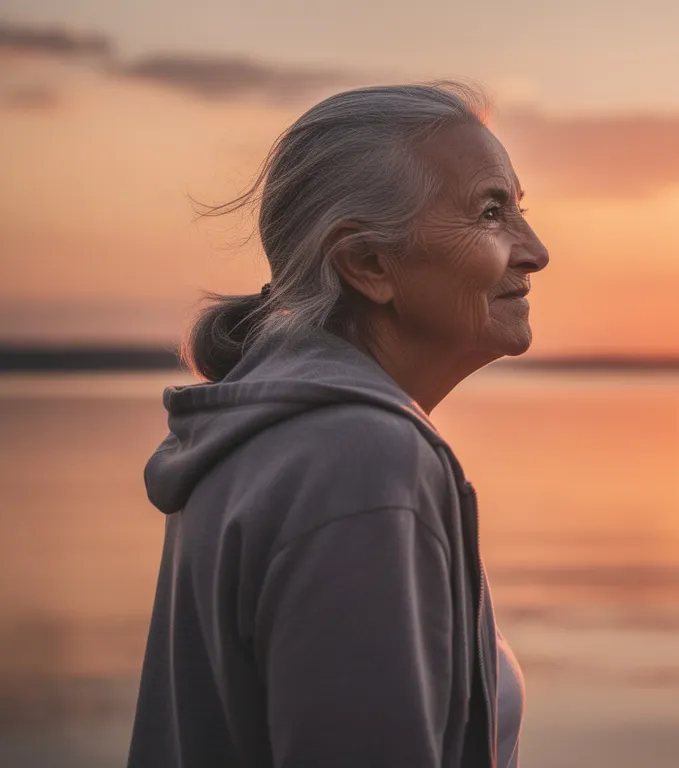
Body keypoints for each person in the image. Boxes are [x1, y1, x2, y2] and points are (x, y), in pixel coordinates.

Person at [127, 82, 549, 768]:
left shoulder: (275, 437)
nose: (534, 251)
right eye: (492, 212)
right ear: (368, 263)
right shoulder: (360, 463)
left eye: (520, 210)